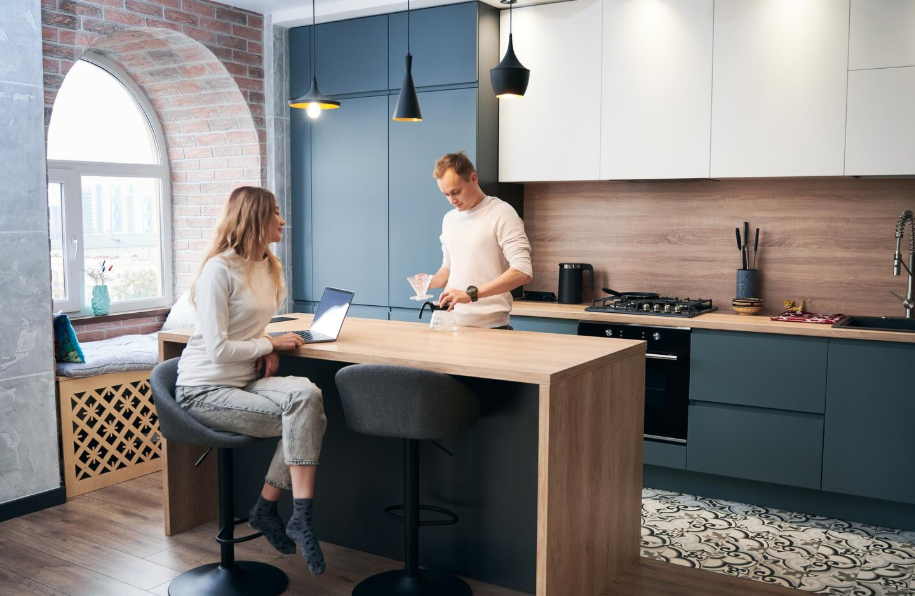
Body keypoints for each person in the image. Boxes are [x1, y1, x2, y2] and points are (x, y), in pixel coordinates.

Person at [175, 186, 327, 575]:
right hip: (203, 388)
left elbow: (251, 325)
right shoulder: (218, 270)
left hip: (244, 382)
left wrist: (266, 346)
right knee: (302, 423)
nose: (282, 219)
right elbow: (217, 350)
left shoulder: (267, 265)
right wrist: (266, 344)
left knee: (308, 396)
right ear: (255, 220)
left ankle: (273, 510)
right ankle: (297, 517)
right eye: (275, 213)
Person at [422, 152, 533, 329]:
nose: (451, 200)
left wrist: (471, 294)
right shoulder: (449, 219)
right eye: (445, 195)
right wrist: (428, 281)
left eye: (456, 192)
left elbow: (522, 271)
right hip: (451, 324)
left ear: (473, 179)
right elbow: (449, 269)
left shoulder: (502, 213)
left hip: (492, 329)